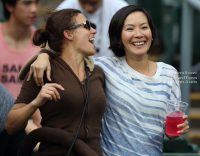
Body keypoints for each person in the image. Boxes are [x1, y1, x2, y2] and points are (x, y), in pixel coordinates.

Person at [19, 5, 189, 156]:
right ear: (118, 37)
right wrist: (44, 55)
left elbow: (171, 132)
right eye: (129, 29)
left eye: (144, 27)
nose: (138, 34)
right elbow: (67, 55)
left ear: (152, 33)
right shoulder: (103, 67)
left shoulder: (169, 73)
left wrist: (176, 131)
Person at [6, 8, 106, 156]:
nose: (94, 31)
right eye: (86, 25)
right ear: (68, 34)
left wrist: (43, 54)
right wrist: (36, 103)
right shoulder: (43, 70)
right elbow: (10, 125)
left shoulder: (98, 72)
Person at [0, 0, 42, 129]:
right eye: (27, 3)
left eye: (37, 2)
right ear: (9, 5)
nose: (34, 9)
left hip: (29, 118)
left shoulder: (41, 42)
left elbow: (41, 90)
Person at [55, 0, 128, 57]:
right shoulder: (64, 8)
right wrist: (44, 55)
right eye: (83, 2)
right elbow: (52, 40)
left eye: (93, 3)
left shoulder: (120, 7)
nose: (88, 8)